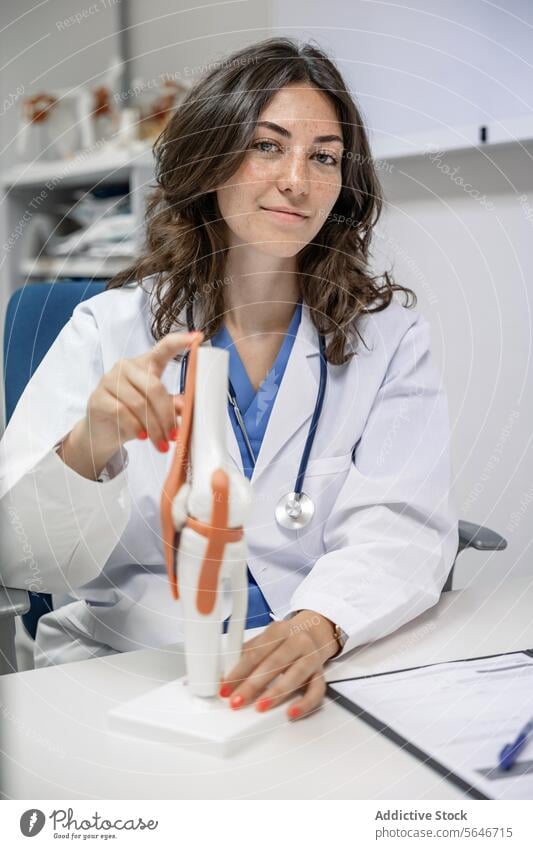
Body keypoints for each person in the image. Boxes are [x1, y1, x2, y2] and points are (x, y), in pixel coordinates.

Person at [0, 37, 458, 721]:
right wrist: (88, 445)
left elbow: (403, 522)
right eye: (267, 145)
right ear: (209, 157)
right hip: (134, 664)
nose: (297, 180)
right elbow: (21, 560)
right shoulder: (108, 328)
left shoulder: (386, 339)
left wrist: (320, 622)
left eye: (323, 156)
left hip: (316, 662)